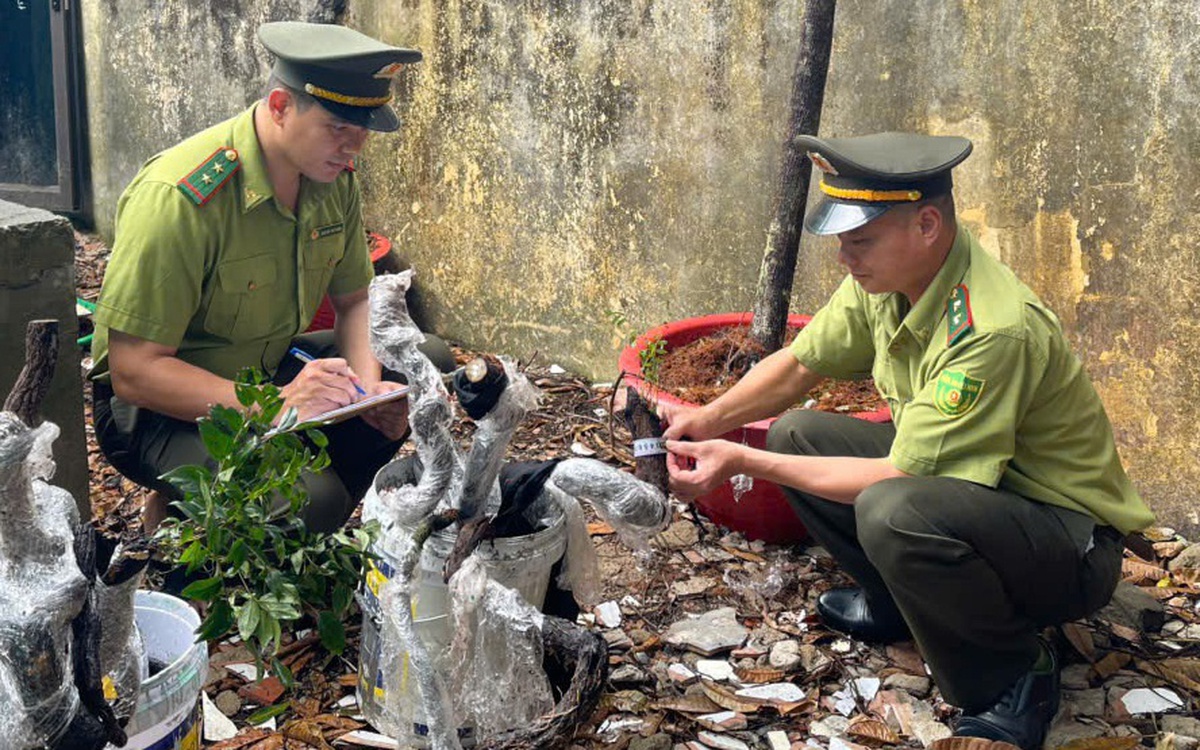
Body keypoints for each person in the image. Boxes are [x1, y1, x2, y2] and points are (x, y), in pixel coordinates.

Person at [660, 132, 1154, 750]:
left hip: (1066, 547)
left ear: (926, 224)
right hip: (985, 499)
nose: (846, 257)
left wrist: (743, 459)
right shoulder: (892, 280)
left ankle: (1012, 673)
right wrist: (706, 421)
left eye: (859, 240)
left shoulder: (993, 327)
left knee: (893, 511)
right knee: (800, 435)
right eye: (843, 241)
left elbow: (898, 478)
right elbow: (799, 367)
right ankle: (902, 604)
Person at [90, 21, 455, 535]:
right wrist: (275, 406)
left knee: (420, 366)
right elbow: (134, 372)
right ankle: (193, 533)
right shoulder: (180, 199)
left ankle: (292, 521)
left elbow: (353, 301)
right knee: (309, 500)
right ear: (281, 107)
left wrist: (366, 396)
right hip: (154, 410)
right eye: (338, 127)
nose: (355, 147)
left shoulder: (331, 178)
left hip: (263, 370)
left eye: (364, 130)